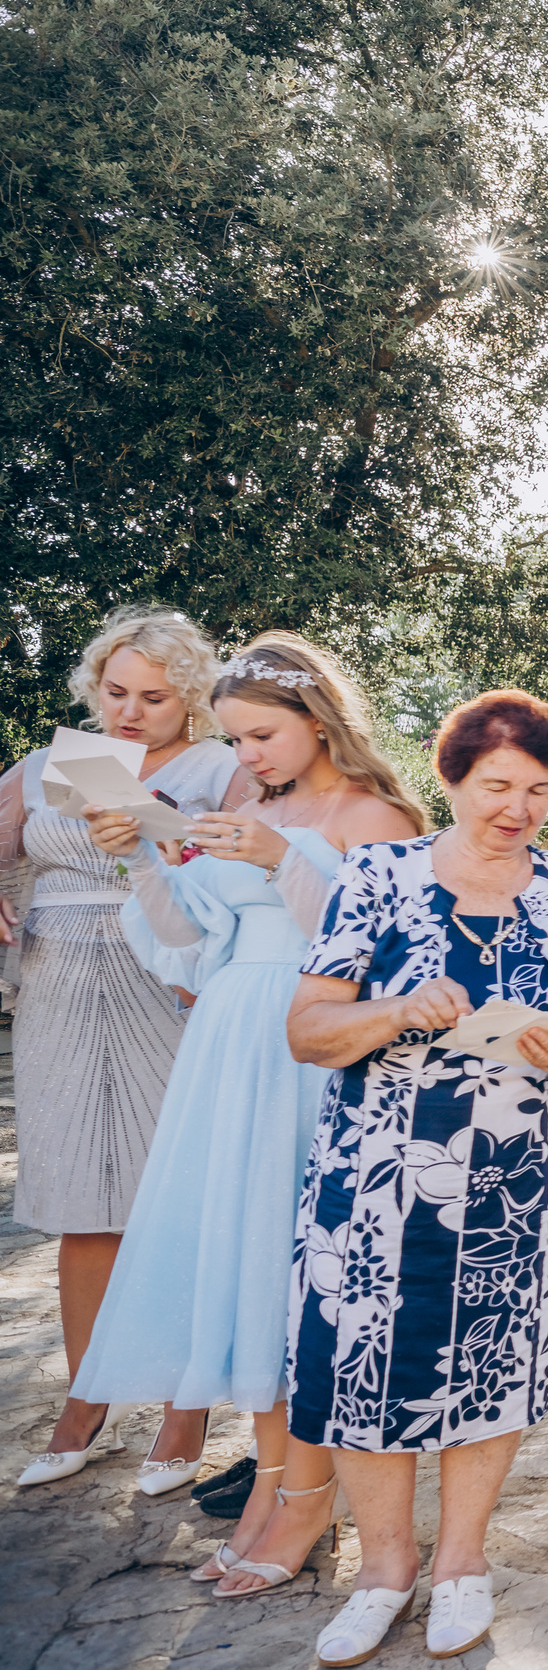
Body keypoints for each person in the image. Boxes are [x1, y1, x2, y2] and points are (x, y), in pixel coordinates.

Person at [72, 634, 422, 1591]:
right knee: (246, 1274)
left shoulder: (376, 812)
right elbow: (187, 938)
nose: (250, 757)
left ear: (319, 721)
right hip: (230, 1041)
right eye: (234, 740)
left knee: (294, 1270)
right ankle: (272, 1486)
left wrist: (283, 859)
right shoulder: (244, 805)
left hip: (316, 1051)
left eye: (263, 735)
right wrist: (143, 855)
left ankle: (307, 1501)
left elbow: (394, 948)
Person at [283, 690, 548, 1665]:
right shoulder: (376, 875)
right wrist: (395, 1012)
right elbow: (308, 1031)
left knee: (492, 1362)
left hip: (517, 1181)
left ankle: (461, 1565)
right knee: (361, 1371)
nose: (517, 808)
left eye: (540, 791)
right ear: (452, 777)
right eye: (498, 786)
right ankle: (384, 1573)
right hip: (375, 1173)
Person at [2, 606, 243, 1490]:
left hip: (165, 979)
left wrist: (157, 830)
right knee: (79, 1197)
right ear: (93, 687)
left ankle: (184, 1415)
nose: (132, 712)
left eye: (155, 696)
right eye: (116, 693)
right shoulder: (45, 764)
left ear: (190, 700)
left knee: (171, 1195)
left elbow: (251, 864)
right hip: (57, 979)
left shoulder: (221, 767)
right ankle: (85, 1399)